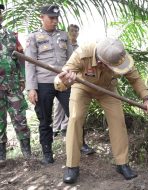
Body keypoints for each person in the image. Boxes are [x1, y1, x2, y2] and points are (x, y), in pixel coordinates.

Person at [54, 37, 148, 184]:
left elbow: (135, 79)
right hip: (82, 87)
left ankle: (122, 164)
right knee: (75, 119)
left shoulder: (120, 57)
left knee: (118, 120)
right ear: (101, 62)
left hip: (108, 89)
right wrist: (65, 80)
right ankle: (72, 166)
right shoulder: (82, 54)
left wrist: (147, 98)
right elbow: (60, 80)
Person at [25, 4, 73, 164]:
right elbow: (29, 64)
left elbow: (72, 59)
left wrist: (72, 77)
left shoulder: (64, 35)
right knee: (45, 120)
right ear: (42, 17)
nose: (54, 21)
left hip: (64, 82)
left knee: (74, 114)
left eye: (56, 18)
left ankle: (81, 144)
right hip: (43, 83)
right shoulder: (33, 37)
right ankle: (47, 152)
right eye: (51, 18)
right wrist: (32, 88)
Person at [53, 23, 95, 155]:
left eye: (76, 31)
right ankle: (56, 128)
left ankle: (68, 130)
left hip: (70, 80)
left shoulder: (78, 47)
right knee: (57, 106)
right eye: (72, 31)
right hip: (58, 77)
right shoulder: (60, 42)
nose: (74, 33)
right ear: (68, 31)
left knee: (71, 108)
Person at [0, 4, 31, 164]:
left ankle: (27, 154)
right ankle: (1, 156)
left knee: (20, 118)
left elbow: (21, 59)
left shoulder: (11, 35)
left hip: (13, 86)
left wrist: (23, 78)